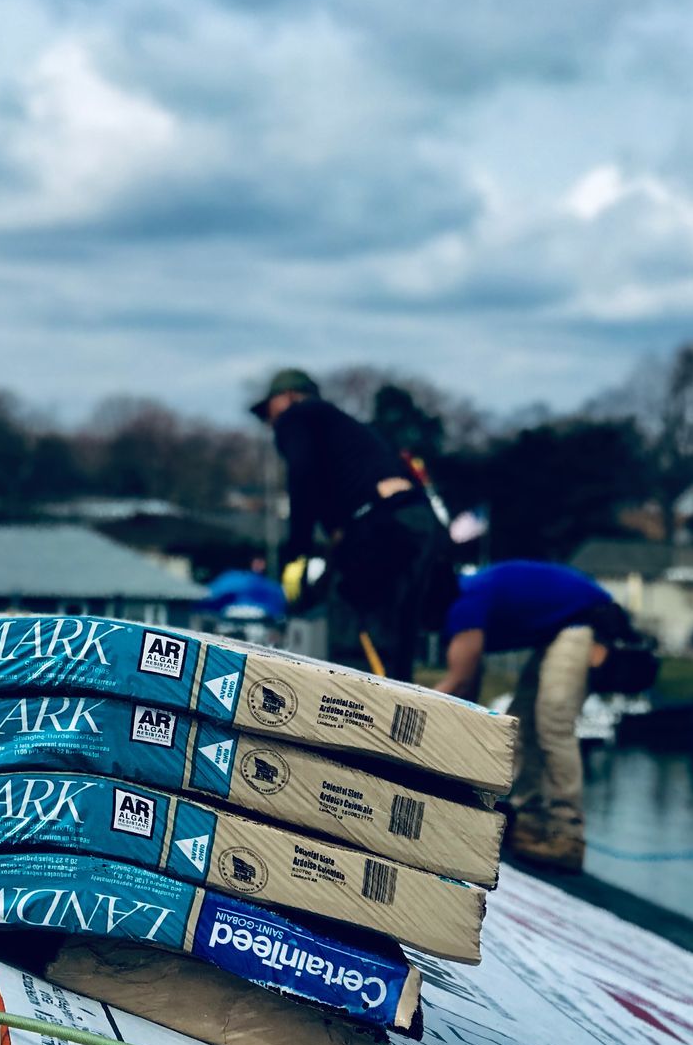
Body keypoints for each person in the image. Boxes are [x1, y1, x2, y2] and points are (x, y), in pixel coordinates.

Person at [432, 560, 659, 872]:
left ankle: (566, 834)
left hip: (585, 621)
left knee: (553, 721)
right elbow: (469, 688)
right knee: (519, 725)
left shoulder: (465, 602)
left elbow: (458, 681)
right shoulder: (469, 596)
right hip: (558, 629)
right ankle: (528, 821)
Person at [250, 368, 449, 682]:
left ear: (288, 397)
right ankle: (396, 718)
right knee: (396, 640)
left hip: (382, 523)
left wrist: (297, 551)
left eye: (269, 412)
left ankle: (354, 721)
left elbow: (302, 477)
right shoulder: (356, 433)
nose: (269, 422)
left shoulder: (298, 415)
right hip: (418, 522)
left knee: (352, 632)